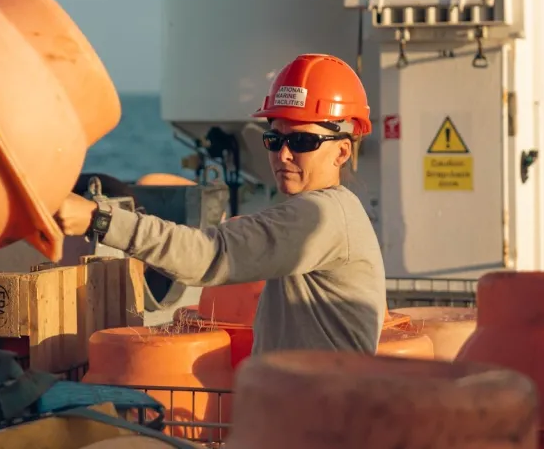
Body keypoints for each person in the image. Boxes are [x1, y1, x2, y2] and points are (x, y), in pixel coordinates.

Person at [54, 53, 386, 355]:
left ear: (342, 152)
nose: (283, 154)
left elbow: (209, 257)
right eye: (274, 139)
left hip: (319, 417)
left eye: (302, 141)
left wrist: (100, 219)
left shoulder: (321, 215)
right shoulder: (327, 213)